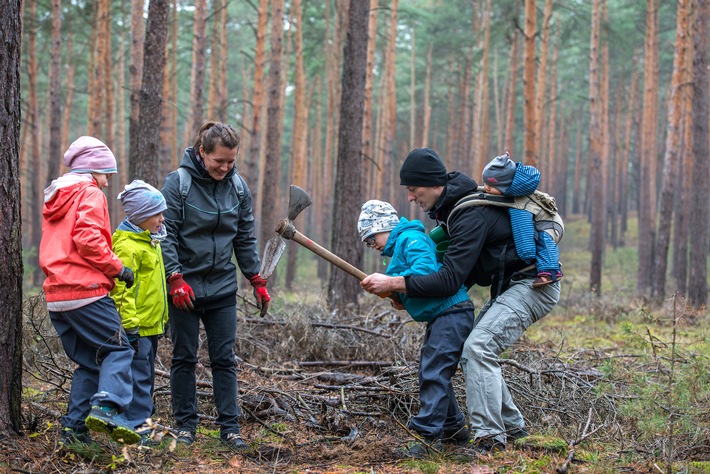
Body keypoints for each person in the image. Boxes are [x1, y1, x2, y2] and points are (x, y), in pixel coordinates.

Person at [360, 148, 561, 454]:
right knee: (474, 348)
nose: (411, 198)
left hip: (532, 285)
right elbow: (461, 275)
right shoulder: (455, 212)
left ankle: (489, 438)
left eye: (413, 189)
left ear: (432, 184)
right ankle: (514, 429)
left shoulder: (469, 214)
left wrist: (395, 282)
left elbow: (450, 280)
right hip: (510, 287)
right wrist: (410, 289)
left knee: (478, 347)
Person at [160, 121, 271, 452]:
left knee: (224, 358)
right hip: (184, 289)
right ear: (201, 152)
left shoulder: (237, 188)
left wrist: (255, 278)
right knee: (183, 357)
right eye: (218, 161)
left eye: (230, 162)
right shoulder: (177, 184)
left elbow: (244, 235)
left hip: (222, 288)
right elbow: (165, 234)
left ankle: (230, 428)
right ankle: (185, 427)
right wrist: (174, 277)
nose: (224, 168)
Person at [39, 136, 140, 446]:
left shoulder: (58, 198)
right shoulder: (90, 194)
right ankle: (108, 408)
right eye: (106, 175)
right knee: (119, 349)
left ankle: (73, 429)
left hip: (57, 295)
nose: (108, 183)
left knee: (91, 361)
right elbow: (88, 240)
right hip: (86, 291)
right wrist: (118, 268)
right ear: (93, 170)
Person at [358, 200, 476, 458]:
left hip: (451, 312)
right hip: (442, 315)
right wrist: (399, 297)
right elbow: (414, 285)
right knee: (432, 371)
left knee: (433, 371)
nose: (372, 245)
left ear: (385, 227)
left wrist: (392, 282)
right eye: (367, 242)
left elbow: (424, 272)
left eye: (371, 237)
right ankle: (454, 431)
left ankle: (427, 437)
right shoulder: (401, 247)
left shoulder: (411, 239)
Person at [110, 180, 169, 445]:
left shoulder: (149, 240)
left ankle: (138, 421)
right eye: (157, 214)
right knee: (139, 377)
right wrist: (130, 325)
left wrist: (162, 319)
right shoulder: (127, 246)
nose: (161, 218)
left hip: (150, 323)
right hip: (137, 326)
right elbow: (120, 292)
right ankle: (138, 428)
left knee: (144, 375)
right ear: (140, 215)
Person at [482, 152, 562, 287]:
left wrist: (527, 255)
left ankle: (550, 272)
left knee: (543, 241)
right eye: (485, 183)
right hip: (541, 220)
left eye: (491, 185)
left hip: (550, 224)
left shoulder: (519, 205)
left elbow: (523, 231)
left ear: (505, 186)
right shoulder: (512, 195)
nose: (486, 188)